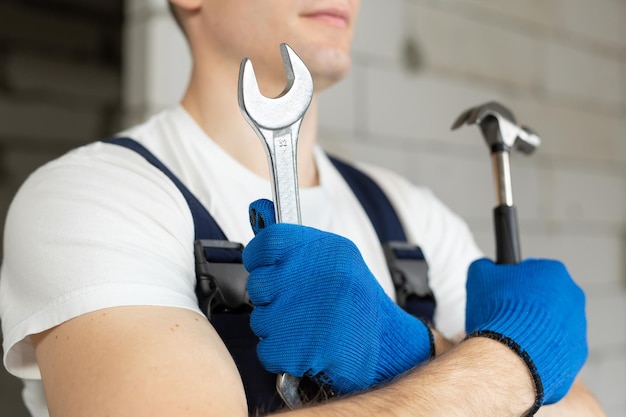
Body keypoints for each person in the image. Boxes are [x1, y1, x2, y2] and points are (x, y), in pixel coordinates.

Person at [0, 1, 604, 416]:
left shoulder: (411, 213)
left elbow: (583, 410)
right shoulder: (92, 198)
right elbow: (535, 392)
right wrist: (515, 358)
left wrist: (400, 349)